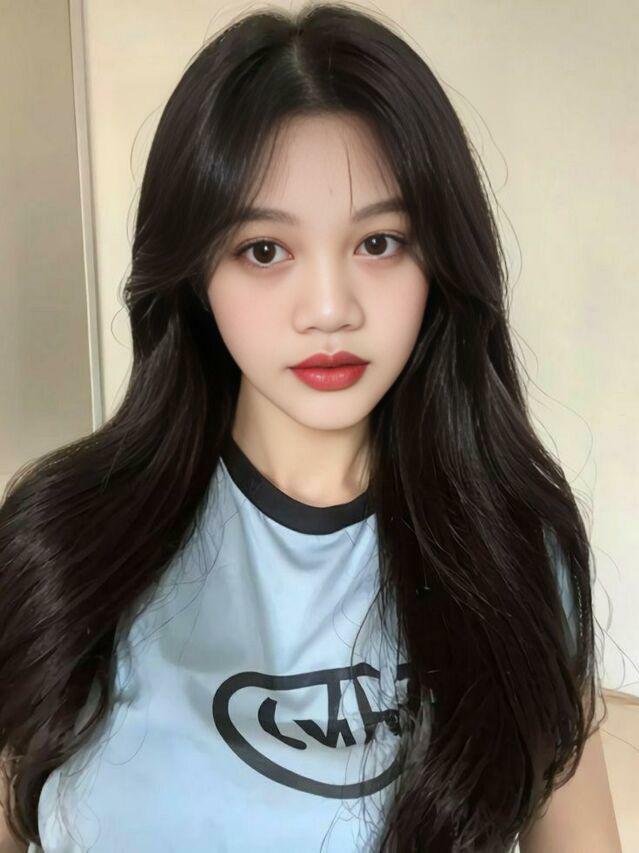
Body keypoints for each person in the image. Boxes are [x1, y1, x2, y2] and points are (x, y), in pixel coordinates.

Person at [0, 3, 621, 851]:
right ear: (194, 273)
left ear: (440, 260)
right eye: (264, 249)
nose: (329, 309)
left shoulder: (512, 548)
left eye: (380, 242)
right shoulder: (61, 542)